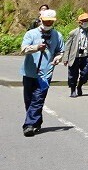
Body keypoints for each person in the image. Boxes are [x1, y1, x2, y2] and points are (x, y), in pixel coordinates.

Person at [19, 8, 64, 136]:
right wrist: (36, 47)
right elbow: (23, 49)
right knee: (29, 100)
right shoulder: (31, 34)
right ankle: (36, 121)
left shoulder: (57, 35)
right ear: (41, 19)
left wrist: (57, 58)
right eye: (46, 21)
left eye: (51, 21)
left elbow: (60, 51)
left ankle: (28, 125)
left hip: (45, 74)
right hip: (29, 72)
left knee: (38, 99)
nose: (48, 23)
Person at [63, 12, 88, 97]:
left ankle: (80, 85)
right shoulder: (73, 33)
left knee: (86, 73)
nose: (86, 22)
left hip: (85, 56)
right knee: (73, 74)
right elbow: (67, 46)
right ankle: (73, 89)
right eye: (84, 21)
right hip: (75, 56)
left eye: (87, 20)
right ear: (80, 22)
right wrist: (65, 58)